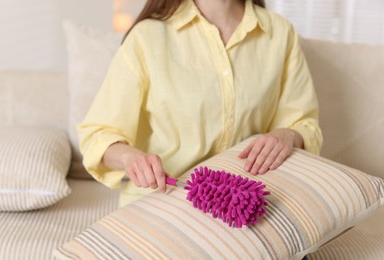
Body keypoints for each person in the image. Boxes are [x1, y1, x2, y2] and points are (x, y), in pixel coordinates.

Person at [78, 0, 323, 207]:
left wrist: (287, 135)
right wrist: (130, 157)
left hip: (245, 205)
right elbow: (98, 136)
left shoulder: (280, 33)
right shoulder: (147, 37)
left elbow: (303, 123)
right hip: (164, 201)